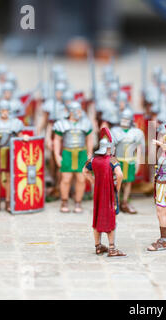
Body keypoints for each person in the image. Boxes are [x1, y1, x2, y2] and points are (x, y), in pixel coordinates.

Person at [83, 127, 126, 257]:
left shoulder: (93, 160)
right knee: (111, 217)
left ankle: (98, 246)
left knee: (97, 216)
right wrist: (116, 188)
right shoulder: (112, 160)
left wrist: (93, 181)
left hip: (97, 193)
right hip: (110, 194)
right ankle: (112, 248)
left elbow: (84, 171)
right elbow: (119, 174)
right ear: (109, 148)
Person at [53, 101, 93, 213]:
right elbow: (57, 140)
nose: (80, 112)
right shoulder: (62, 124)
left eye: (80, 110)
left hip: (81, 153)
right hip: (67, 153)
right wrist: (57, 155)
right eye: (77, 110)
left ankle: (78, 201)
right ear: (71, 112)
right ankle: (64, 201)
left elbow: (89, 139)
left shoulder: (85, 123)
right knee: (66, 179)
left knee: (81, 179)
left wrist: (89, 154)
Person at [0, 100, 28, 212]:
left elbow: (19, 135)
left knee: (8, 178)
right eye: (2, 110)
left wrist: (23, 137)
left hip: (9, 153)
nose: (4, 112)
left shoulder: (15, 123)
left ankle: (8, 201)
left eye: (6, 110)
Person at [111, 108, 144, 214]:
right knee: (117, 181)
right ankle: (116, 201)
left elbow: (139, 148)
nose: (124, 121)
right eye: (123, 118)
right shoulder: (115, 131)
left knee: (128, 182)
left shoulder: (136, 132)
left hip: (130, 160)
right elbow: (111, 147)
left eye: (127, 119)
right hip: (118, 160)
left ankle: (125, 202)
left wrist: (138, 160)